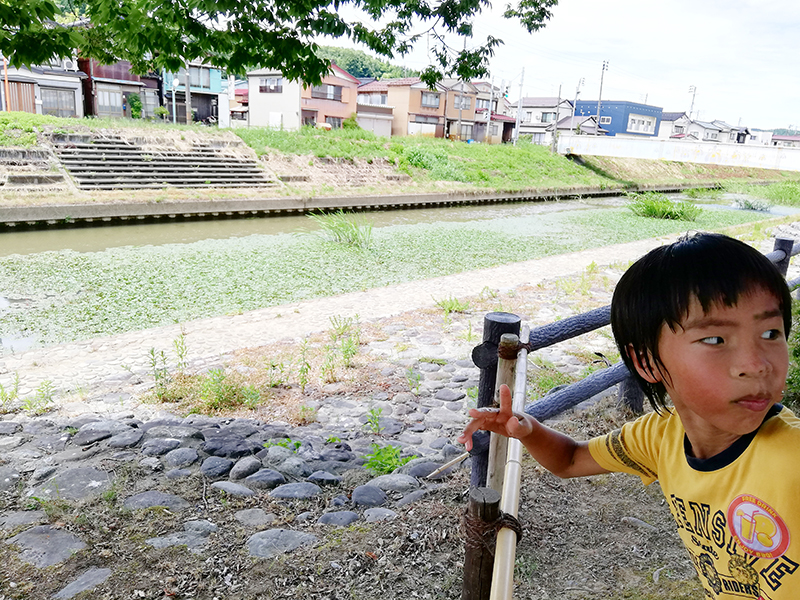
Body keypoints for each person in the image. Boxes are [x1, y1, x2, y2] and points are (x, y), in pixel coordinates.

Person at [457, 232, 800, 600]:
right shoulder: (659, 437)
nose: (757, 365)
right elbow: (572, 459)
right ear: (647, 361)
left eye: (770, 333)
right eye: (715, 340)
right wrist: (526, 430)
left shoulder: (791, 457)